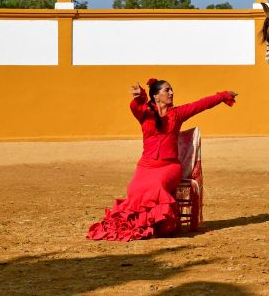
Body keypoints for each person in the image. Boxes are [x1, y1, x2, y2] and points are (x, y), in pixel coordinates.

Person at [87, 78, 237, 241]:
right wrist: (140, 97)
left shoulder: (178, 114)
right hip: (146, 165)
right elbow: (134, 106)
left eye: (172, 90)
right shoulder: (144, 114)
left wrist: (223, 95)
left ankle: (158, 224)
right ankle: (145, 224)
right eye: (167, 90)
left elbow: (201, 104)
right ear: (156, 96)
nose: (171, 93)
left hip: (169, 167)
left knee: (155, 186)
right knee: (134, 190)